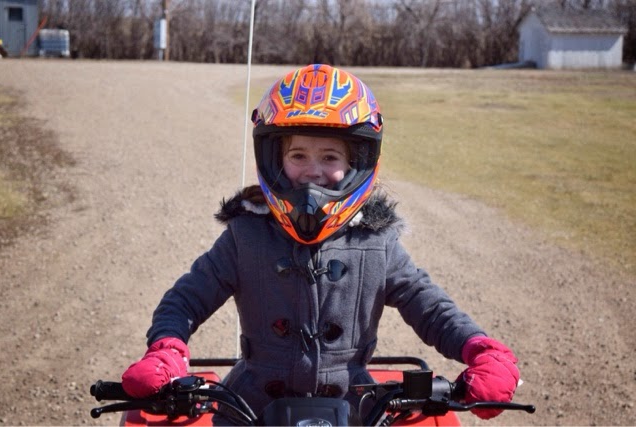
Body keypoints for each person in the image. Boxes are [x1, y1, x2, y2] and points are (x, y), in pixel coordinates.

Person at [121, 64, 520, 423]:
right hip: (249, 408)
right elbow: (186, 299)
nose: (312, 172)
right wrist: (167, 349)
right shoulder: (246, 235)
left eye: (330, 157)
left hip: (356, 408)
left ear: (358, 163)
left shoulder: (377, 242)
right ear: (275, 159)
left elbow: (429, 305)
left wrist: (480, 349)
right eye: (298, 155)